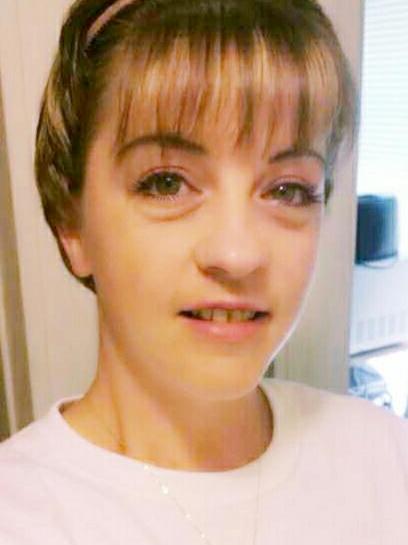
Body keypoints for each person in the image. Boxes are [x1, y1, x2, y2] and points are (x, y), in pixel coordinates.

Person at [0, 0, 407, 543]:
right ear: (71, 225)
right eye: (167, 182)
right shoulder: (19, 515)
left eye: (288, 190)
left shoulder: (384, 457)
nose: (238, 254)